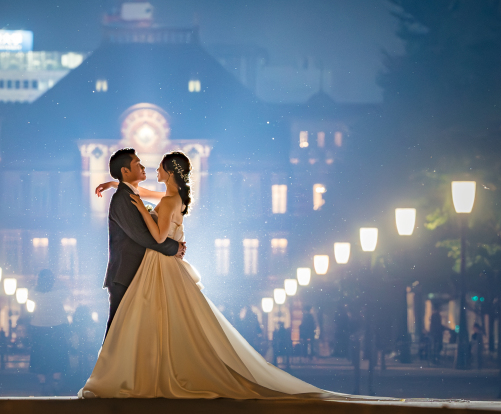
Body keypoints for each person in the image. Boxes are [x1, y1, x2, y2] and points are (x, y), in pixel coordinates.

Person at [80, 151, 325, 399]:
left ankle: (132, 377)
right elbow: (145, 213)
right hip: (142, 267)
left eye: (159, 168)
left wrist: (145, 212)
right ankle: (139, 374)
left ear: (170, 172)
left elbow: (154, 236)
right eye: (139, 164)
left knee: (139, 323)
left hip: (152, 266)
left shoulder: (163, 201)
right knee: (148, 323)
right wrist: (117, 186)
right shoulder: (170, 198)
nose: (152, 170)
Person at [96, 148, 186, 338]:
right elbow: (142, 235)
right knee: (118, 331)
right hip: (125, 273)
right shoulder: (123, 198)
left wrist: (116, 183)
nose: (146, 167)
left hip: (141, 270)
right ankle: (110, 366)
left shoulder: (136, 195)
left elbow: (144, 195)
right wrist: (174, 247)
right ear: (125, 171)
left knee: (134, 332)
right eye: (138, 164)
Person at [28, 269, 70, 395]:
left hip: (38, 326)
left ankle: (42, 382)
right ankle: (56, 382)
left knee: (40, 354)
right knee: (58, 354)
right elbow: (67, 290)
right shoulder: (59, 293)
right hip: (57, 326)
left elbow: (31, 295)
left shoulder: (33, 293)